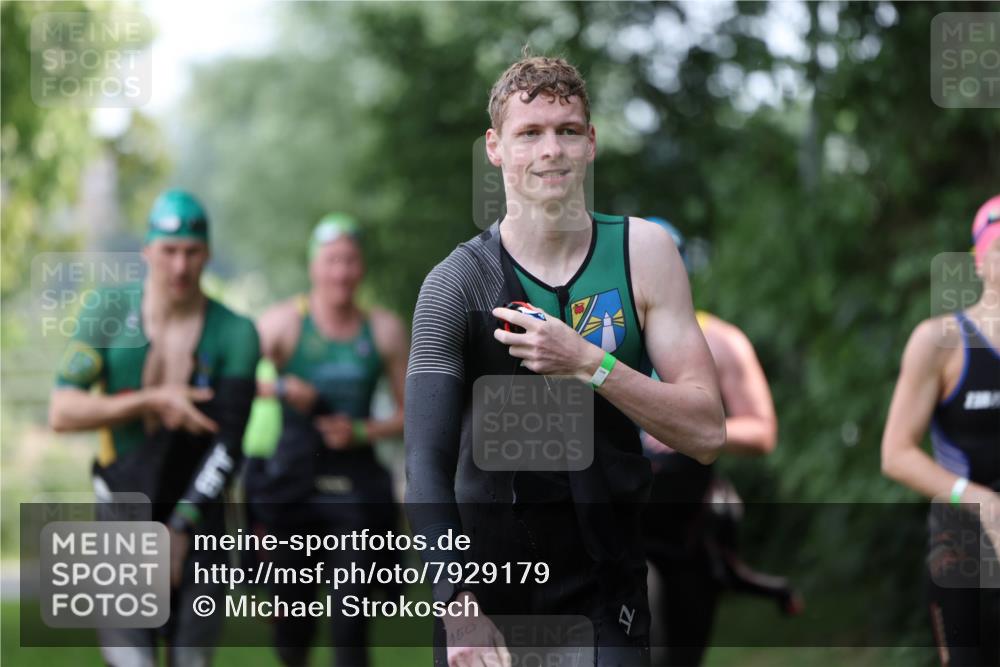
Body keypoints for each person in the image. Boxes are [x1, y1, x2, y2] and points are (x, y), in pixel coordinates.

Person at [404, 56, 726, 667]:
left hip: (606, 589)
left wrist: (588, 362)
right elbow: (424, 467)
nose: (551, 149)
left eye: (567, 130)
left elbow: (706, 431)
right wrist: (457, 605)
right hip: (491, 595)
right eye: (530, 133)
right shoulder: (458, 284)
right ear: (495, 149)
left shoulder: (643, 254)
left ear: (591, 143)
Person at [48, 189, 260, 667]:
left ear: (207, 253)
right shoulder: (105, 312)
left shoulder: (236, 333)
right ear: (146, 252)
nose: (180, 267)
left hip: (199, 514)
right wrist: (153, 400)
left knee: (191, 660)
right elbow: (62, 411)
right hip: (122, 509)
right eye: (169, 252)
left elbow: (229, 444)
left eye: (191, 252)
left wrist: (182, 527)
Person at [243, 213, 408, 667]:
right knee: (294, 624)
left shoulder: (384, 330)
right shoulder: (282, 324)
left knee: (350, 620)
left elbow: (414, 413)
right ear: (314, 266)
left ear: (362, 267)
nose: (341, 272)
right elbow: (225, 383)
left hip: (354, 482)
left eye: (350, 260)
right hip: (293, 480)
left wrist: (360, 430)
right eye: (332, 260)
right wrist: (282, 388)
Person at [640, 218, 795, 667]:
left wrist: (697, 428)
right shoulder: (602, 334)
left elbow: (763, 432)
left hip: (692, 530)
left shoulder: (722, 342)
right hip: (623, 529)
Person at [881, 194, 1000, 667]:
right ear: (979, 260)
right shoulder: (941, 341)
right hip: (962, 534)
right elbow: (896, 453)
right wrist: (978, 498)